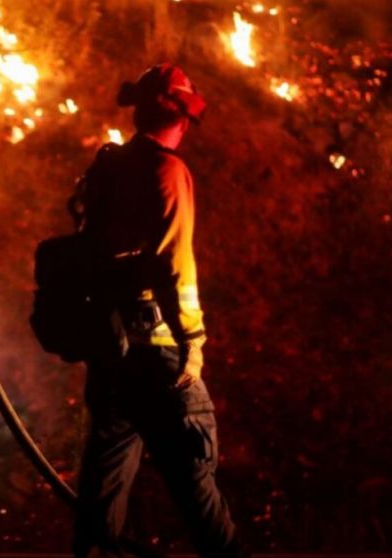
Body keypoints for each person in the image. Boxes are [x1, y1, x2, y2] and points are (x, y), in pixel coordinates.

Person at [71, 64, 246, 558]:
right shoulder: (167, 170)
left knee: (102, 494)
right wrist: (193, 339)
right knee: (195, 481)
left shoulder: (107, 167)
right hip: (162, 353)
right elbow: (174, 262)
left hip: (112, 354)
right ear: (183, 116)